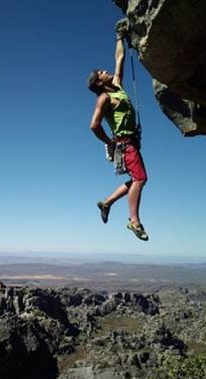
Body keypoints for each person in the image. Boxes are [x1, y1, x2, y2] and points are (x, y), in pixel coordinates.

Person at [87, 27, 149, 241]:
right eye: (102, 72)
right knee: (140, 179)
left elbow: (120, 57)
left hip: (131, 141)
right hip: (125, 143)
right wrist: (110, 142)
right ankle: (134, 221)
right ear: (98, 82)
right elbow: (94, 125)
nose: (107, 71)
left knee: (137, 178)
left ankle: (107, 203)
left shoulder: (116, 86)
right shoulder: (104, 98)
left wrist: (119, 37)